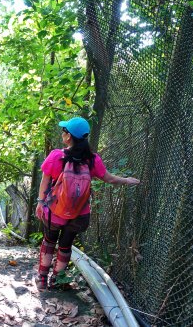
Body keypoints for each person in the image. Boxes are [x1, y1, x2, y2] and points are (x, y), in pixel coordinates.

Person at [35, 117, 140, 290]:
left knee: (49, 241)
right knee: (66, 245)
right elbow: (109, 178)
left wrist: (40, 202)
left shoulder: (56, 156)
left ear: (69, 136)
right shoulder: (92, 160)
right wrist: (127, 180)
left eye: (64, 131)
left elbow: (45, 182)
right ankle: (56, 280)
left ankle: (42, 279)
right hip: (79, 214)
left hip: (54, 211)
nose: (62, 133)